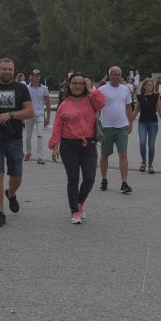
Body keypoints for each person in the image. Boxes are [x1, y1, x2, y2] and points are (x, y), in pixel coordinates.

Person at [0, 58, 34, 227]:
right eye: (4, 69)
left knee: (16, 176)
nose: (8, 72)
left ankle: (11, 193)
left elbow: (30, 111)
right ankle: (0, 212)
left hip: (14, 138)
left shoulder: (21, 88)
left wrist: (10, 115)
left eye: (10, 69)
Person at [49, 73, 106, 224]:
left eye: (81, 83)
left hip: (88, 144)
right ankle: (74, 211)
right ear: (69, 85)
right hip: (69, 145)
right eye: (74, 83)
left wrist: (92, 89)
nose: (77, 86)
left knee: (89, 178)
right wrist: (55, 146)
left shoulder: (91, 100)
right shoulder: (64, 104)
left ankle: (80, 202)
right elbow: (57, 127)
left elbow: (101, 103)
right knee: (73, 179)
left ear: (85, 85)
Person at [98, 66, 134, 194]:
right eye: (115, 74)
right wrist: (96, 126)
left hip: (122, 126)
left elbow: (128, 107)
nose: (117, 77)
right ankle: (104, 179)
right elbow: (96, 108)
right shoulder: (102, 90)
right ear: (109, 76)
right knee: (105, 154)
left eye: (119, 74)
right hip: (107, 127)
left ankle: (124, 182)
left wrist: (130, 122)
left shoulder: (125, 89)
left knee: (123, 154)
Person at [132, 78, 161, 174]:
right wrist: (129, 122)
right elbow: (135, 111)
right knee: (142, 143)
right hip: (142, 123)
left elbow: (159, 110)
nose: (150, 87)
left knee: (151, 145)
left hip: (153, 123)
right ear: (144, 86)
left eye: (151, 85)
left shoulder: (156, 96)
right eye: (148, 85)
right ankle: (143, 162)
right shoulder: (140, 97)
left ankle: (150, 165)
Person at [23, 69, 51, 165]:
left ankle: (40, 156)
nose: (37, 77)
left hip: (39, 114)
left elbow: (48, 103)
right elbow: (22, 103)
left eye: (39, 75)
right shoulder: (26, 88)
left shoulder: (44, 88)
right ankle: (28, 153)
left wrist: (48, 117)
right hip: (29, 114)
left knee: (40, 135)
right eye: (35, 75)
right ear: (31, 77)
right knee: (28, 136)